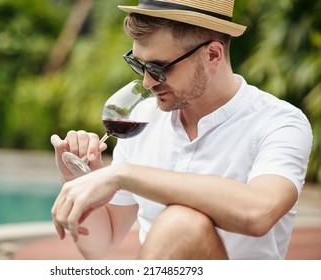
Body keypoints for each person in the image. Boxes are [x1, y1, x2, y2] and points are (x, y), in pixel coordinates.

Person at [50, 0, 313, 260]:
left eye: (159, 68)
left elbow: (259, 212)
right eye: (139, 65)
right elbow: (100, 244)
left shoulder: (279, 123)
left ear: (212, 55)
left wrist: (124, 174)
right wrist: (79, 179)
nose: (147, 81)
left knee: (182, 224)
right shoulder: (144, 116)